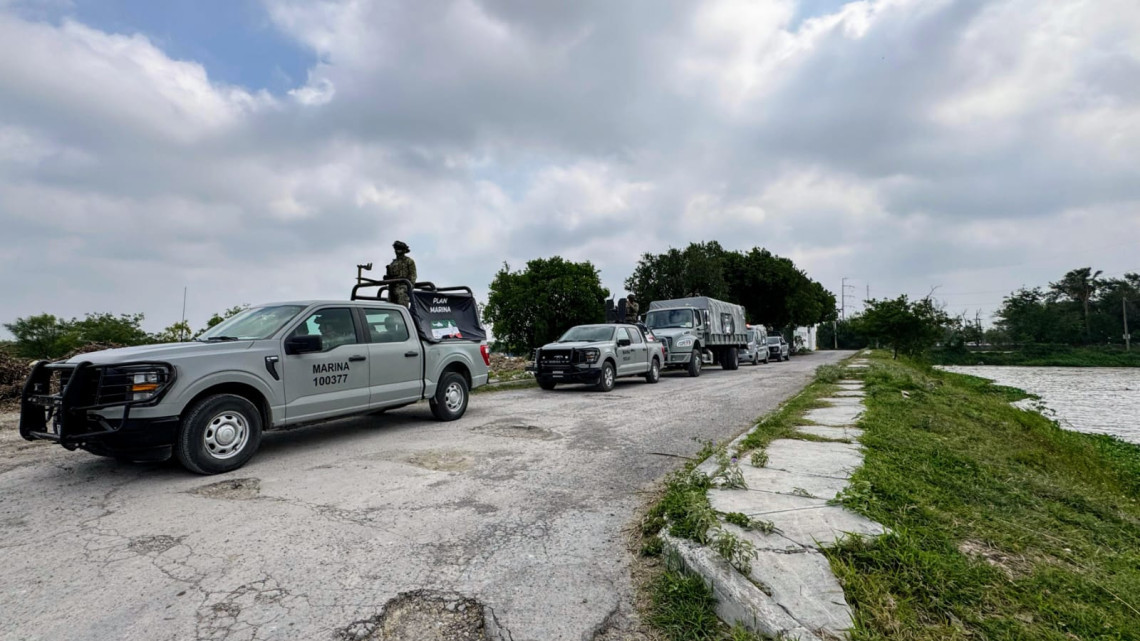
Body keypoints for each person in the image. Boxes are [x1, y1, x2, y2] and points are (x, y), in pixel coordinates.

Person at [386, 240, 417, 307]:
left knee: (402, 303)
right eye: (396, 249)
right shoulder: (393, 263)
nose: (397, 251)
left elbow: (413, 275)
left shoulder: (409, 261)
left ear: (404, 250)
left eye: (399, 249)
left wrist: (409, 286)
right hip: (393, 287)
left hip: (403, 287)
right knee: (390, 305)